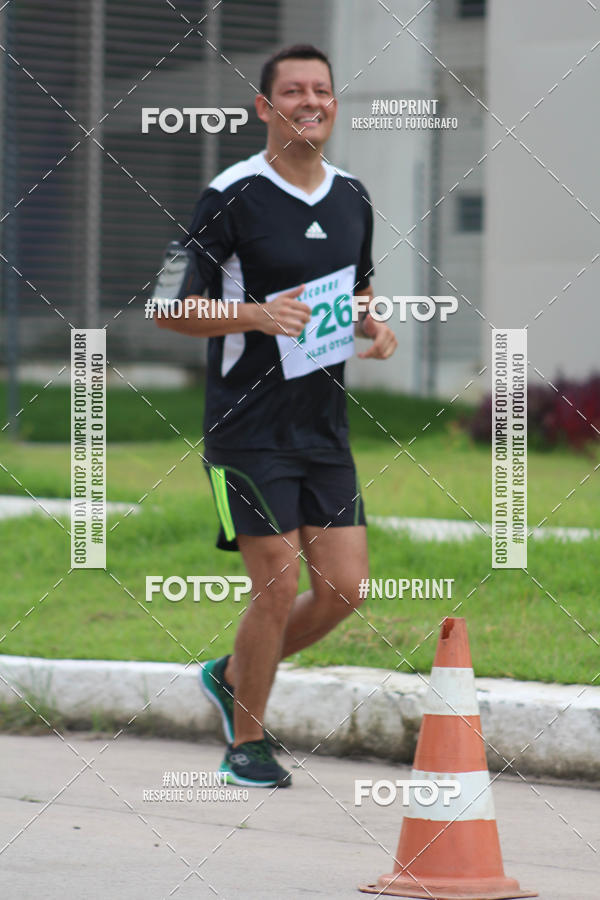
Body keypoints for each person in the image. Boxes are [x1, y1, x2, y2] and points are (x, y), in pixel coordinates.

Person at [156, 44, 397, 788]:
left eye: (321, 90)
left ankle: (234, 674)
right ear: (266, 107)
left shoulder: (353, 195)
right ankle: (247, 744)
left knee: (345, 589)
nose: (309, 102)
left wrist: (371, 323)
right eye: (293, 91)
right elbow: (168, 307)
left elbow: (355, 290)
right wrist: (257, 315)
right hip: (246, 430)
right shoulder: (229, 193)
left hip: (322, 428)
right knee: (277, 583)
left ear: (334, 104)